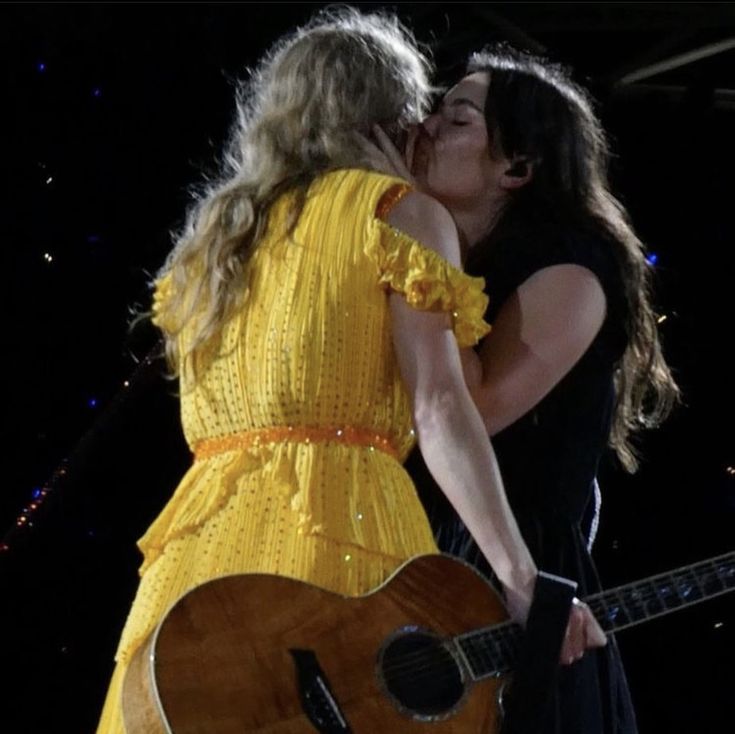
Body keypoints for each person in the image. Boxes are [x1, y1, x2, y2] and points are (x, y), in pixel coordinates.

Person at [95, 12, 606, 734]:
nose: (425, 129)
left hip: (200, 551)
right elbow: (440, 408)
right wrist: (522, 580)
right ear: (388, 113)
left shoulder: (215, 238)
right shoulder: (398, 213)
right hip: (342, 527)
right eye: (421, 112)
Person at [370, 44, 679, 733]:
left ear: (516, 167)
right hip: (407, 545)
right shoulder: (434, 243)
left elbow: (469, 411)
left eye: (457, 120)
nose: (423, 129)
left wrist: (421, 236)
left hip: (506, 566)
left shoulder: (571, 269)